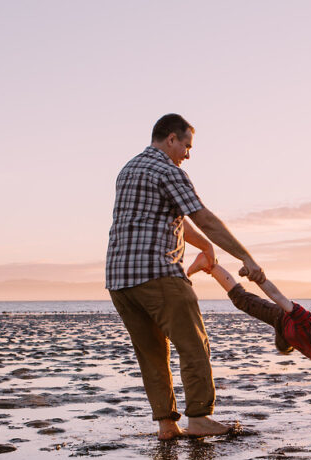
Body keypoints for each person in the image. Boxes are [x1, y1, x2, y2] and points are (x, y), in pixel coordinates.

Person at [105, 113, 266, 440]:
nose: (188, 154)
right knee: (194, 344)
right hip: (158, 273)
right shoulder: (168, 170)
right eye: (186, 146)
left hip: (119, 280)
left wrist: (204, 246)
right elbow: (204, 218)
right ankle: (199, 418)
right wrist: (245, 256)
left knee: (151, 353)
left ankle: (167, 424)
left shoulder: (129, 169)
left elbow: (171, 218)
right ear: (170, 139)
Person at [188, 253, 311, 425]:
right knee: (241, 300)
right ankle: (211, 265)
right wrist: (256, 277)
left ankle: (285, 345)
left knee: (283, 347)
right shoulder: (304, 318)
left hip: (288, 339)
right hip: (280, 318)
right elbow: (277, 296)